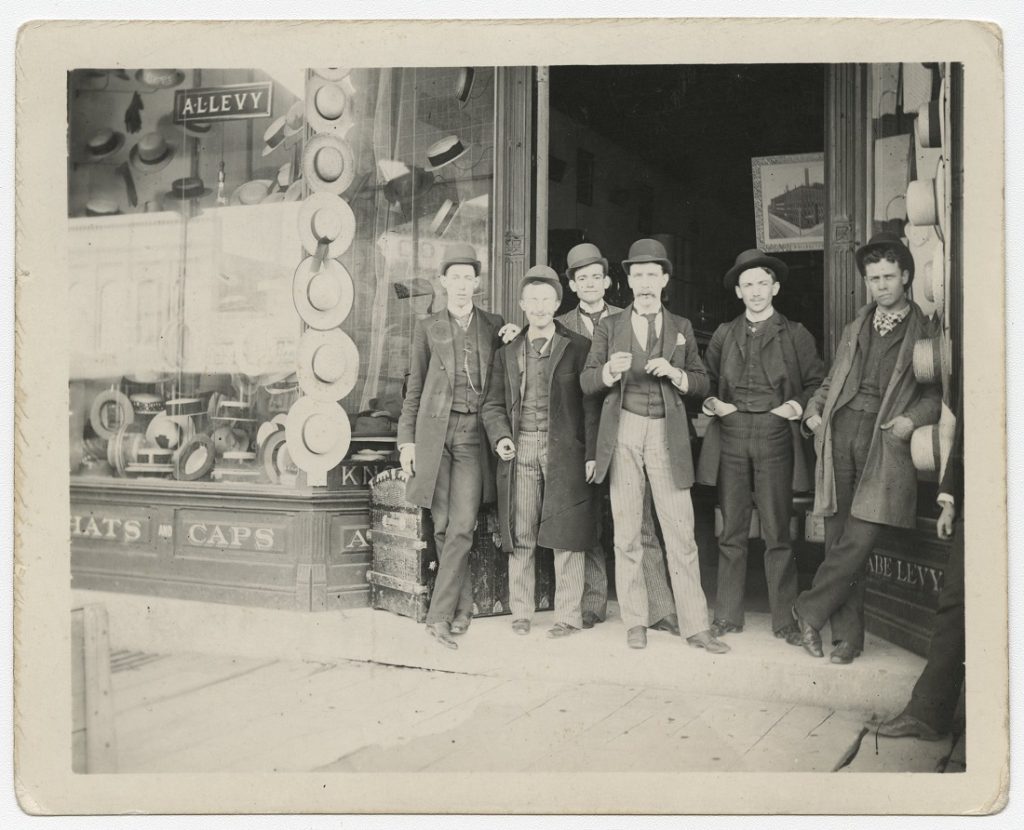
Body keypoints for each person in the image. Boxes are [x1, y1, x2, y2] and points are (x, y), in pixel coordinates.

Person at [792, 231, 941, 664]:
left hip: (886, 441)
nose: (881, 285)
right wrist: (813, 412)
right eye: (873, 277)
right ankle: (848, 639)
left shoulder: (924, 330)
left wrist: (910, 421)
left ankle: (808, 608)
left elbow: (935, 396)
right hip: (841, 434)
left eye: (889, 276)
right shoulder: (856, 325)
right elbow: (830, 381)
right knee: (838, 539)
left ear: (907, 277)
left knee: (860, 538)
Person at [581, 238, 727, 653]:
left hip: (666, 432)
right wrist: (609, 369)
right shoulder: (610, 327)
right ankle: (635, 621)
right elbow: (586, 381)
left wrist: (678, 376)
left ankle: (696, 625)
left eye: (652, 275)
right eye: (637, 275)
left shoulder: (681, 328)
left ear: (665, 280)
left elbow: (702, 381)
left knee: (680, 531)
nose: (645, 283)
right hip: (623, 429)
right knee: (626, 531)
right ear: (628, 281)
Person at [696, 248, 825, 645]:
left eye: (762, 283)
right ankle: (728, 616)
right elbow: (707, 379)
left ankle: (784, 620)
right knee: (731, 529)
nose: (755, 291)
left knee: (776, 530)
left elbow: (816, 381)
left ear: (776, 287)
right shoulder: (723, 334)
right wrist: (715, 404)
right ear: (738, 291)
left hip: (774, 434)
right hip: (732, 432)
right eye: (748, 284)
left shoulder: (796, 333)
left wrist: (794, 406)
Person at [557, 242, 681, 635]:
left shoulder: (625, 318)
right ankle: (593, 604)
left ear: (610, 281)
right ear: (572, 285)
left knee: (640, 520)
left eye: (597, 276)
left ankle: (660, 607)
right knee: (590, 520)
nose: (590, 283)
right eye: (582, 278)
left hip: (624, 431)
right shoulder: (559, 325)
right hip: (581, 436)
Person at [397, 242, 505, 650]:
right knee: (442, 526)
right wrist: (406, 442)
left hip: (473, 436)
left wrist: (515, 334)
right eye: (454, 277)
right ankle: (460, 607)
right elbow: (414, 390)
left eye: (468, 277)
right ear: (443, 282)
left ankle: (438, 614)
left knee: (462, 524)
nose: (461, 285)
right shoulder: (428, 328)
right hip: (433, 436)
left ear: (477, 283)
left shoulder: (495, 325)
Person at [481, 266, 598, 638]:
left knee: (567, 533)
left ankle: (568, 615)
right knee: (522, 531)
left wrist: (591, 452)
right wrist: (501, 437)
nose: (539, 306)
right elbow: (492, 405)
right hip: (522, 449)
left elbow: (593, 405)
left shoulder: (578, 347)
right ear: (521, 304)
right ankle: (522, 612)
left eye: (546, 299)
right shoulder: (507, 352)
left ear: (558, 303)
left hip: (565, 450)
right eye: (532, 300)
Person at [875, 414, 963, 739]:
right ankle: (927, 713)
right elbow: (963, 433)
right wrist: (950, 502)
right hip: (986, 501)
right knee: (956, 603)